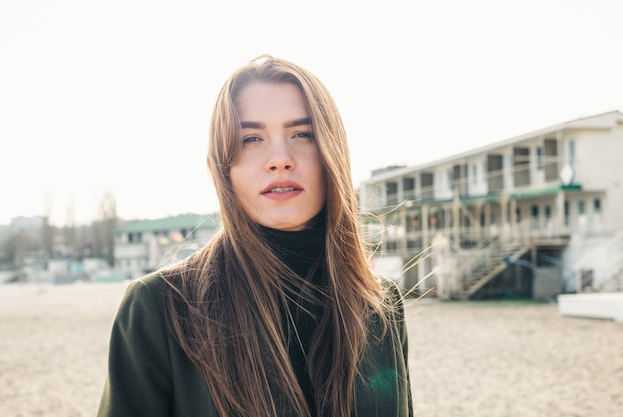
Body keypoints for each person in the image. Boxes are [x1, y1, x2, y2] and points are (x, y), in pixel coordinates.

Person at [97, 54, 413, 417]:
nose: (279, 159)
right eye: (250, 138)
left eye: (302, 134)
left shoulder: (380, 304)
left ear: (333, 153)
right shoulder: (159, 307)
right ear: (222, 165)